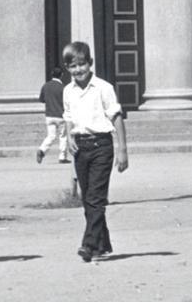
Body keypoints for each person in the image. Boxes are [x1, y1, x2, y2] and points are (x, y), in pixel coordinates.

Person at [60, 40, 128, 263]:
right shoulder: (67, 91)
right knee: (88, 199)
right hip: (81, 148)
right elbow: (68, 117)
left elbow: (116, 118)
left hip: (102, 146)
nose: (78, 70)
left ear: (90, 63)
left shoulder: (103, 88)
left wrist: (122, 150)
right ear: (67, 68)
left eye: (81, 64)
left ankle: (88, 244)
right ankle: (102, 244)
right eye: (72, 66)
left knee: (96, 199)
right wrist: (70, 137)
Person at [36, 66, 69, 164]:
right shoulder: (63, 88)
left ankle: (42, 150)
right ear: (61, 75)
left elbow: (41, 99)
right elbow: (67, 102)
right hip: (61, 115)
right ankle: (62, 156)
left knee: (51, 136)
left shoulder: (45, 86)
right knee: (63, 136)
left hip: (49, 115)